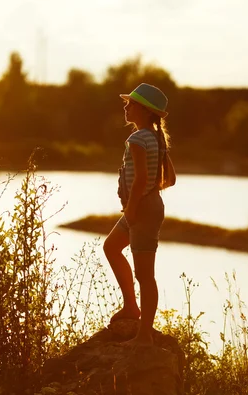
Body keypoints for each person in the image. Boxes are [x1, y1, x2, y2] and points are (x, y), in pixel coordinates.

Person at [103, 83, 176, 346]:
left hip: (141, 208)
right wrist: (149, 196)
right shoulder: (156, 138)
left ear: (144, 111)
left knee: (145, 275)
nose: (126, 106)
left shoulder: (137, 139)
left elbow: (142, 177)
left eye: (131, 104)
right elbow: (171, 179)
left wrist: (134, 207)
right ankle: (131, 307)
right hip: (148, 205)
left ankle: (144, 335)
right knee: (111, 247)